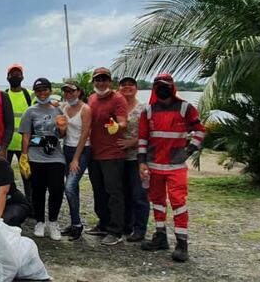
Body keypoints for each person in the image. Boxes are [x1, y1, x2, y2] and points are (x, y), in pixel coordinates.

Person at [138, 73, 206, 263]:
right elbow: (143, 138)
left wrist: (190, 149)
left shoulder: (185, 107)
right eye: (158, 85)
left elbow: (200, 130)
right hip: (154, 165)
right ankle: (160, 236)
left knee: (178, 203)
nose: (162, 88)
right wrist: (141, 162)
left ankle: (182, 243)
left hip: (175, 166)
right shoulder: (148, 111)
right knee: (157, 201)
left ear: (172, 87)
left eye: (165, 85)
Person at [85, 67, 129, 245]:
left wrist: (118, 127)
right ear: (94, 82)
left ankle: (116, 230)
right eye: (98, 80)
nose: (101, 83)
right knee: (99, 192)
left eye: (104, 80)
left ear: (110, 82)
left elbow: (123, 121)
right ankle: (103, 223)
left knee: (114, 193)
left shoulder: (118, 98)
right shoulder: (92, 98)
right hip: (94, 153)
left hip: (112, 154)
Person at [18, 78, 67, 240]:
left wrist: (61, 129)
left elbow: (62, 134)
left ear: (50, 90)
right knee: (37, 190)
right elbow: (26, 136)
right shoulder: (30, 111)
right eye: (38, 91)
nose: (42, 93)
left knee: (56, 188)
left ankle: (53, 222)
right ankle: (40, 221)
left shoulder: (57, 110)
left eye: (45, 90)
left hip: (55, 156)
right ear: (35, 93)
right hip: (35, 155)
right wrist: (24, 156)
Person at [117, 76, 150, 242]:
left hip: (138, 157)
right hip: (118, 158)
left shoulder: (144, 108)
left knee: (139, 194)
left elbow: (151, 133)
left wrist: (132, 142)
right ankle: (125, 225)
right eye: (123, 85)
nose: (127, 87)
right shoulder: (116, 107)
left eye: (131, 85)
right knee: (123, 194)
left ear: (136, 88)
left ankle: (140, 229)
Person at [60, 81, 92, 239]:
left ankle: (78, 225)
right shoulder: (64, 108)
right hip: (66, 148)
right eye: (66, 92)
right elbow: (62, 133)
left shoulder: (85, 109)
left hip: (82, 150)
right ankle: (74, 222)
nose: (69, 94)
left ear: (79, 92)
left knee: (70, 186)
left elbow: (85, 134)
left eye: (72, 91)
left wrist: (76, 159)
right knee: (73, 189)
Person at [4, 64, 33, 178]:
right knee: (5, 177)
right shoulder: (4, 95)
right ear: (7, 78)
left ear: (22, 77)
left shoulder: (30, 95)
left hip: (25, 145)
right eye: (12, 74)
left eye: (18, 74)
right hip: (7, 144)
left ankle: (29, 197)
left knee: (27, 176)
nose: (15, 76)